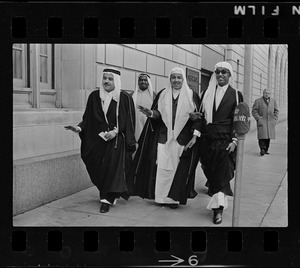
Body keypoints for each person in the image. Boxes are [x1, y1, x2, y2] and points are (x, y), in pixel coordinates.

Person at [128, 67, 201, 208]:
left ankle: (174, 199)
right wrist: (150, 113)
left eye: (179, 77)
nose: (176, 80)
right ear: (170, 79)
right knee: (162, 166)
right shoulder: (163, 94)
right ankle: (161, 197)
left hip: (182, 138)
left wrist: (194, 129)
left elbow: (198, 117)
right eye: (173, 77)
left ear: (183, 79)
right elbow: (159, 114)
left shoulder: (192, 95)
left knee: (176, 168)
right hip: (163, 137)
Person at [65, 67, 136, 213]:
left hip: (116, 141)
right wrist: (79, 128)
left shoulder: (124, 98)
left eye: (110, 79)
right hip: (97, 141)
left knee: (112, 169)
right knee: (98, 169)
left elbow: (129, 120)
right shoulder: (94, 96)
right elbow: (88, 118)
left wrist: (115, 132)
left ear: (116, 80)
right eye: (105, 78)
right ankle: (107, 191)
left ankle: (106, 199)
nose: (107, 81)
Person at [194, 61, 243, 224]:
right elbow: (200, 117)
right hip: (207, 142)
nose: (220, 74)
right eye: (218, 72)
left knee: (222, 176)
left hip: (225, 142)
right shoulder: (206, 93)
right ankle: (216, 199)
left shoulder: (236, 95)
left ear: (230, 75)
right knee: (211, 173)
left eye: (224, 72)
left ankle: (218, 210)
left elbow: (239, 121)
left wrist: (235, 141)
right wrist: (195, 135)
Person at [251, 88, 279, 156]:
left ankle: (266, 149)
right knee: (262, 136)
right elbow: (254, 111)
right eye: (265, 93)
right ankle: (262, 149)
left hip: (270, 122)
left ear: (270, 94)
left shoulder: (273, 101)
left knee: (268, 137)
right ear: (263, 93)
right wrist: (258, 118)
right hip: (262, 121)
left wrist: (275, 119)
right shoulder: (258, 101)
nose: (267, 94)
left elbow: (276, 111)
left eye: (268, 93)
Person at [132, 73, 156, 142]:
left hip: (149, 125)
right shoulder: (132, 95)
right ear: (138, 82)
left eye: (145, 80)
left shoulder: (154, 96)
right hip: (136, 126)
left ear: (148, 82)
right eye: (141, 80)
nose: (143, 82)